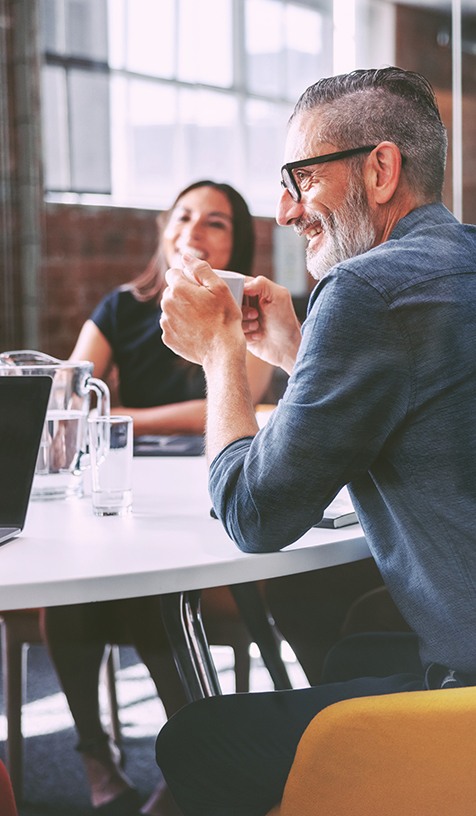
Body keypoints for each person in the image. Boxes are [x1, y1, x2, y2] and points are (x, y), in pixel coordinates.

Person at [153, 67, 476, 814]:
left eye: (301, 177)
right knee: (355, 643)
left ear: (380, 169)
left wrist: (221, 353)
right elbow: (427, 404)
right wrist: (297, 351)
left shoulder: (365, 292)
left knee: (194, 740)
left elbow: (254, 517)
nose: (285, 210)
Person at [41, 181, 273, 816]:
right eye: (185, 216)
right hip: (123, 492)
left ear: (238, 243)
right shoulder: (121, 308)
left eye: (217, 223)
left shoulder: (247, 309)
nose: (195, 229)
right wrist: (91, 409)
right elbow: (68, 396)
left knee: (153, 581)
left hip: (205, 493)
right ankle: (94, 755)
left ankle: (191, 762)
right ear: (166, 230)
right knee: (71, 586)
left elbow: (229, 403)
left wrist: (121, 418)